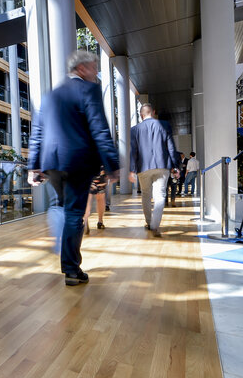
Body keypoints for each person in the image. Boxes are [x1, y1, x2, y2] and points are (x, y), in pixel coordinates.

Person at [27, 50, 119, 286]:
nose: (96, 71)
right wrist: (112, 164)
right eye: (93, 66)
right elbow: (99, 127)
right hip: (78, 160)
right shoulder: (89, 90)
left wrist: (33, 166)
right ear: (81, 69)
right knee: (75, 213)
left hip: (52, 163)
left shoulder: (49, 96)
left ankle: (61, 238)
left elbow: (37, 132)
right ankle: (71, 269)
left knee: (64, 206)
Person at [129, 104, 178, 237]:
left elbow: (133, 151)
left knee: (145, 194)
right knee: (160, 195)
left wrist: (132, 170)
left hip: (143, 167)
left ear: (141, 115)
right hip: (162, 166)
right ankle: (155, 225)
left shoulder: (134, 130)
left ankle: (149, 222)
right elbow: (171, 147)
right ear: (154, 112)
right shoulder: (164, 125)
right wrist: (175, 166)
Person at [83, 167, 107, 234]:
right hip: (99, 167)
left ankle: (85, 219)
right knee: (100, 197)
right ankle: (100, 221)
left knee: (88, 196)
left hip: (84, 167)